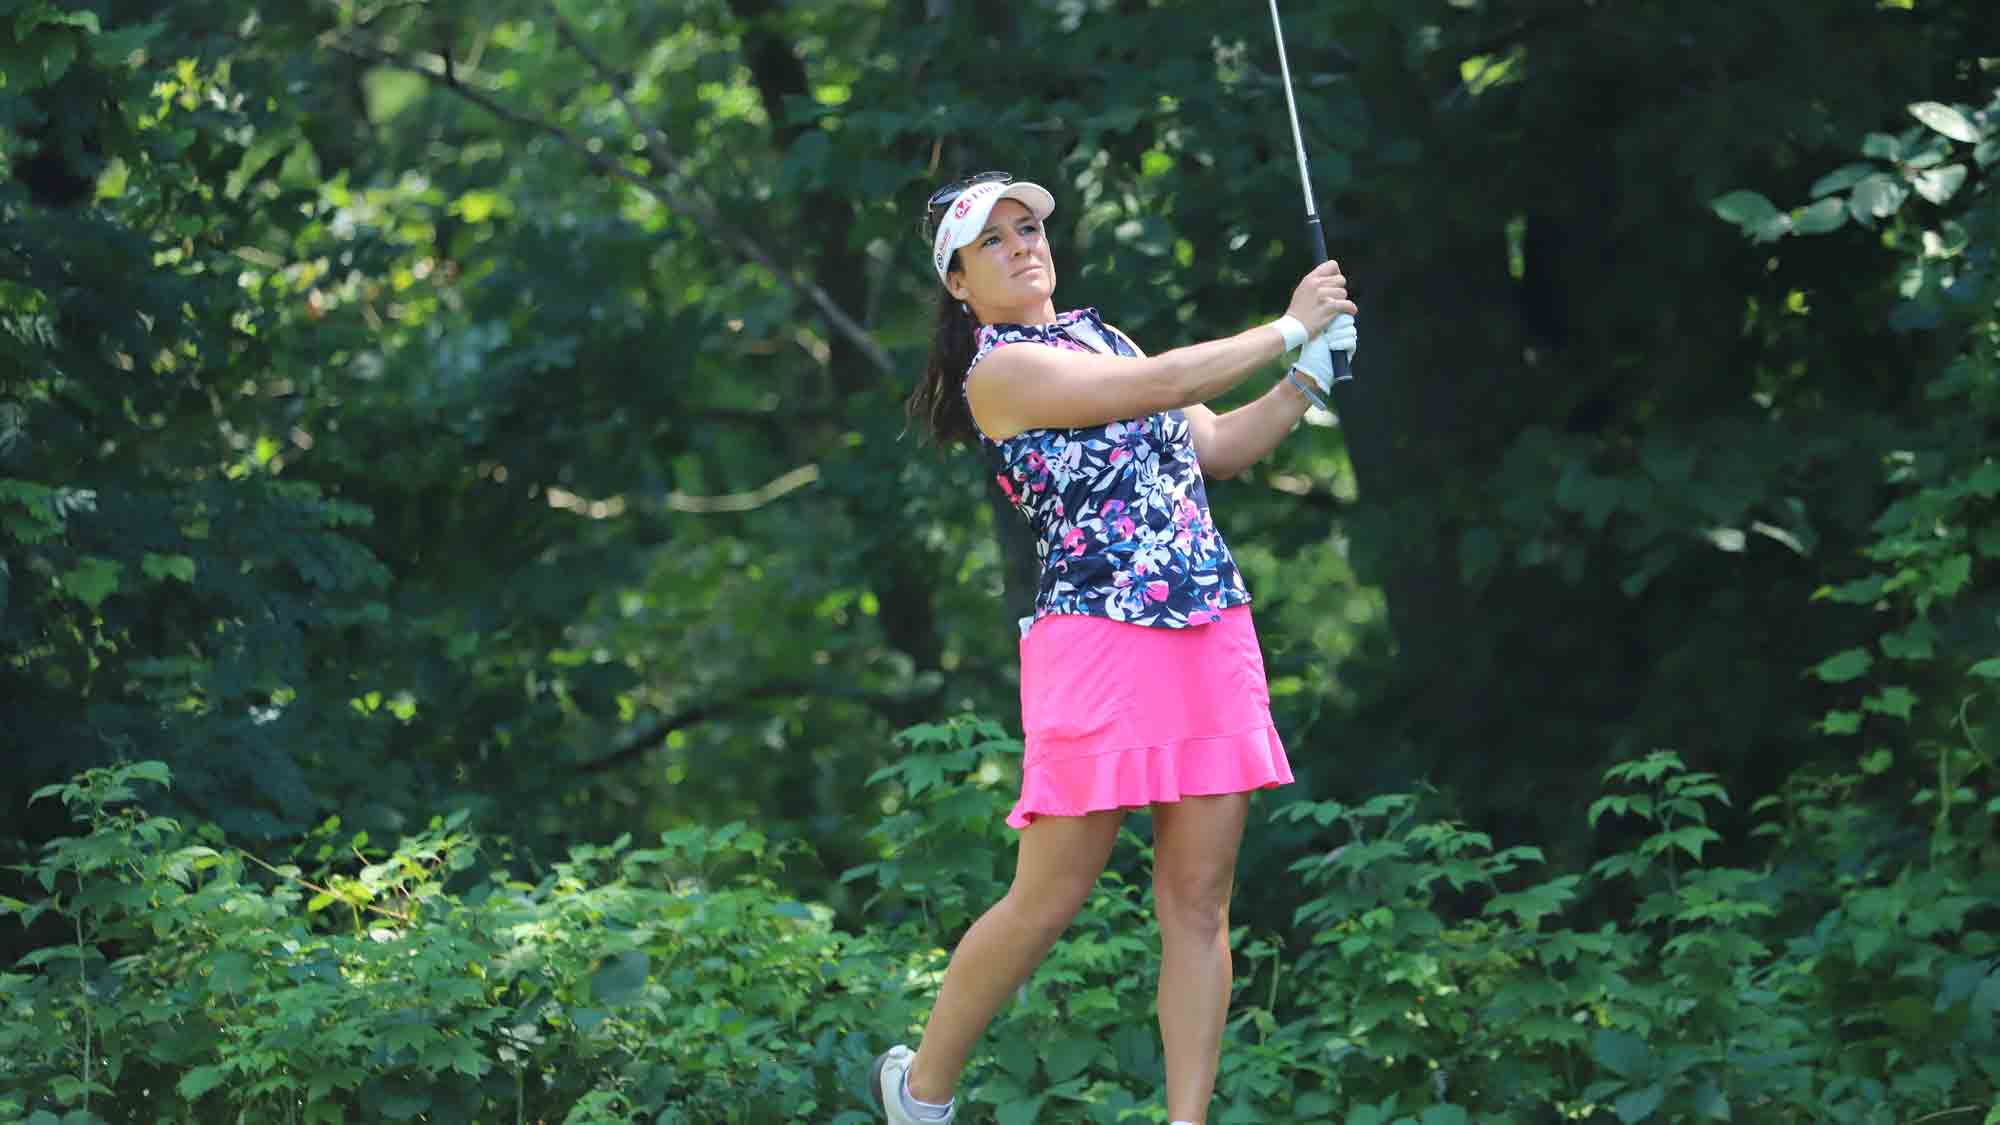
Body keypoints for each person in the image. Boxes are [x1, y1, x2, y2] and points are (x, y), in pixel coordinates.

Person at [870, 171, 1358, 1125]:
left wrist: (1306, 379)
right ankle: (919, 1095)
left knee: (1199, 900)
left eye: (1028, 227)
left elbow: (1214, 444)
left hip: (1208, 624)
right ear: (959, 285)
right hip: (1097, 637)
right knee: (1050, 895)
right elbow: (1165, 383)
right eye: (993, 240)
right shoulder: (999, 372)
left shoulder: (1105, 336)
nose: (1022, 245)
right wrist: (1288, 327)